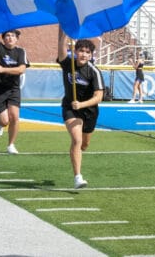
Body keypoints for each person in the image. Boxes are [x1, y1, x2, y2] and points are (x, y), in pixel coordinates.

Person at [57, 27, 105, 189]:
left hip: (89, 110)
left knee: (84, 145)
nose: (84, 54)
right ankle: (78, 177)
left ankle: (77, 153)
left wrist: (82, 104)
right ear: (75, 51)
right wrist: (66, 29)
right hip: (71, 108)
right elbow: (61, 48)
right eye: (81, 51)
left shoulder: (94, 72)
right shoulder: (68, 64)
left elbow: (99, 97)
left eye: (87, 52)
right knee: (76, 140)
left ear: (91, 55)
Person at [0, 30, 29, 154]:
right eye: (7, 36)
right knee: (5, 121)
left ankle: (11, 145)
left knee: (15, 117)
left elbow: (21, 69)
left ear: (17, 39)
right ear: (3, 39)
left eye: (13, 36)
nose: (10, 38)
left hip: (13, 89)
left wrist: (3, 69)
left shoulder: (21, 52)